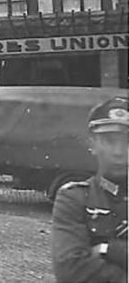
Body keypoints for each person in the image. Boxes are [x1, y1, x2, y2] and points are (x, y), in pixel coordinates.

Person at [52, 96, 128, 283]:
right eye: (109, 141)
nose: (118, 151)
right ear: (93, 144)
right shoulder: (74, 198)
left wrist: (106, 249)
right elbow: (70, 270)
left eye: (127, 141)